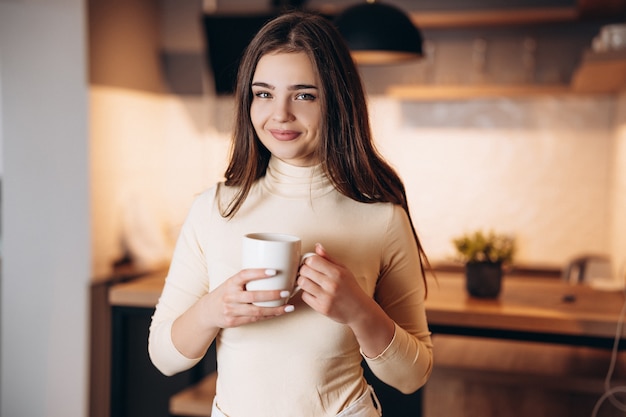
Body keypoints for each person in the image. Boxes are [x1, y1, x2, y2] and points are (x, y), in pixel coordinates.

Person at [149, 11, 433, 417]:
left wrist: (358, 310)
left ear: (337, 101)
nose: (279, 113)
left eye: (304, 95)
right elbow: (164, 356)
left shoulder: (382, 218)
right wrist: (215, 309)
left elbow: (413, 376)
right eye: (263, 93)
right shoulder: (213, 209)